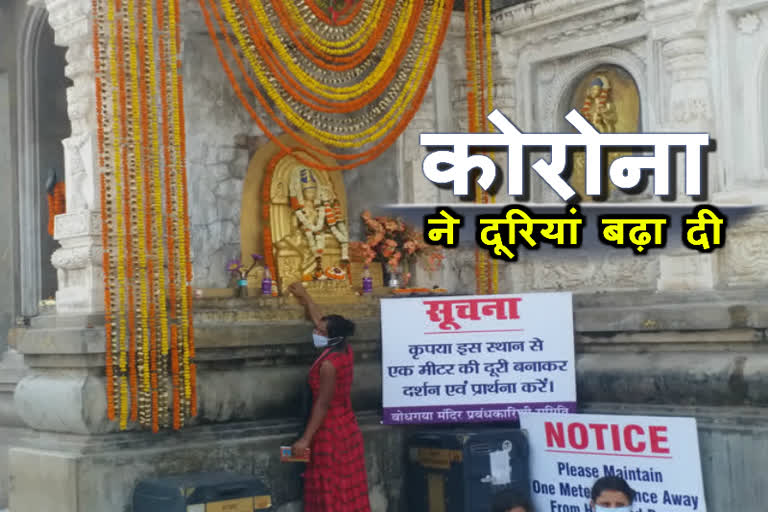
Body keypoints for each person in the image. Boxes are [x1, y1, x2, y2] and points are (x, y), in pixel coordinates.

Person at [288, 281, 371, 512]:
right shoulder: (343, 349)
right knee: (346, 483)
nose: (316, 332)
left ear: (332, 337)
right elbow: (320, 319)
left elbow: (322, 405)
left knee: (329, 483)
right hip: (346, 425)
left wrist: (305, 439)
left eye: (321, 332)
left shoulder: (329, 364)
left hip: (329, 430)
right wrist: (305, 296)